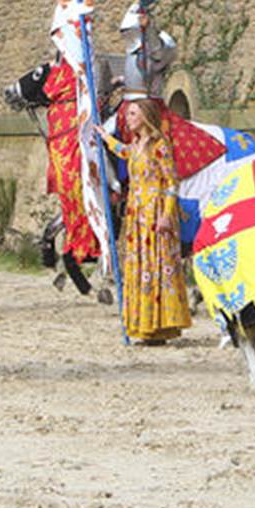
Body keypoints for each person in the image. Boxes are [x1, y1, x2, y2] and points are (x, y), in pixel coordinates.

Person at [93, 98, 190, 343]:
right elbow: (123, 151)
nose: (128, 118)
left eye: (133, 114)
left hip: (156, 213)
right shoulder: (135, 145)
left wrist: (167, 215)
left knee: (156, 266)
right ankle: (144, 325)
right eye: (128, 114)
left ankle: (160, 326)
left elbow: (172, 182)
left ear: (145, 116)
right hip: (137, 215)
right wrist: (104, 137)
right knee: (140, 266)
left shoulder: (160, 145)